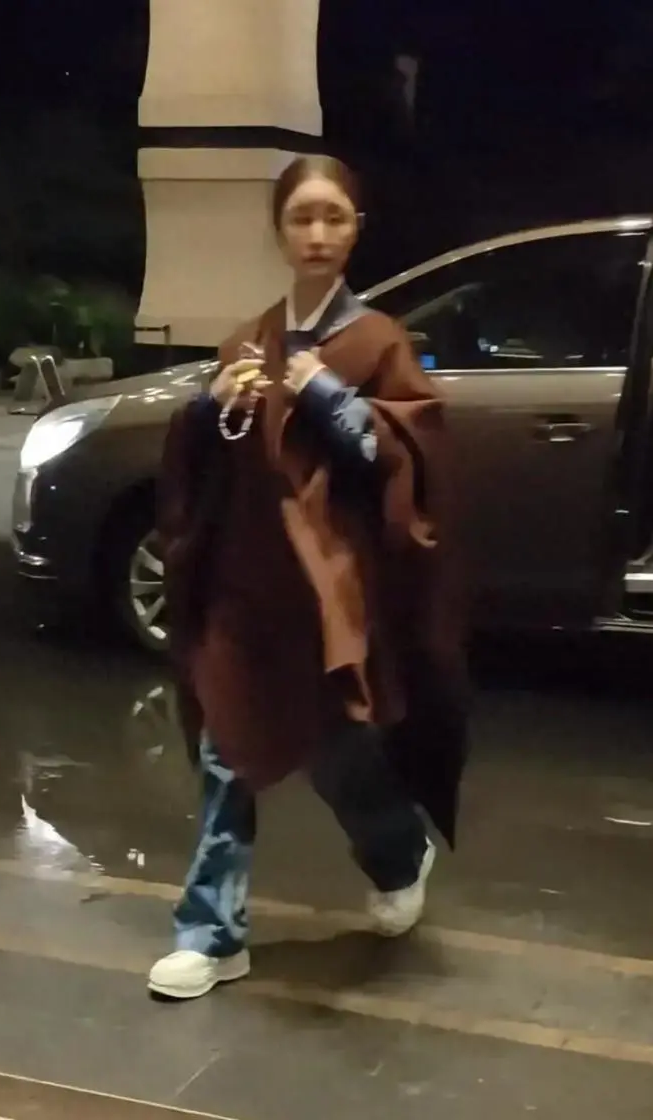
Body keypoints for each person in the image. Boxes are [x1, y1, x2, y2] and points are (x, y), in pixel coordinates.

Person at [149, 156, 469, 1001]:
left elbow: (405, 460)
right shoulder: (249, 342)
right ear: (279, 230)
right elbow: (209, 464)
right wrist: (212, 408)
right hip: (244, 585)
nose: (318, 234)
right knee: (226, 750)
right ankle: (211, 934)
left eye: (334, 217)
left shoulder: (378, 341)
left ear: (357, 230)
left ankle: (398, 851)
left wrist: (328, 395)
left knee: (337, 755)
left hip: (329, 594)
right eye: (302, 218)